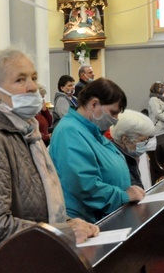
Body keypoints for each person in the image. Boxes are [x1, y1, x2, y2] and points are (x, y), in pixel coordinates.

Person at [0, 48, 98, 273]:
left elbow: (38, 199)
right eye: (20, 79)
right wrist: (62, 233)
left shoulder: (26, 130)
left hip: (32, 264)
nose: (33, 86)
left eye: (33, 77)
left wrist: (66, 222)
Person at [49, 78, 145, 222]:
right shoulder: (69, 131)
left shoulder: (92, 130)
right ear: (94, 104)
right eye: (113, 113)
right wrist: (124, 196)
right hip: (87, 222)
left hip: (107, 216)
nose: (116, 119)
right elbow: (85, 186)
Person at [110, 111, 156, 190]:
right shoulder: (115, 160)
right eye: (142, 141)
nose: (144, 145)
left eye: (146, 140)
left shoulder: (126, 155)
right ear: (125, 139)